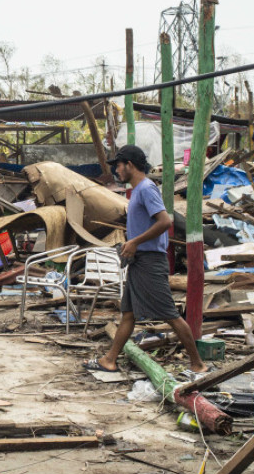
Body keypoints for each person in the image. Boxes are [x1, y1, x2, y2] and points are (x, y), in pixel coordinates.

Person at [87, 144, 209, 375]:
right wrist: (131, 243)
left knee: (169, 314)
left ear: (130, 165)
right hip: (139, 260)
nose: (117, 171)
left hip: (150, 261)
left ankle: (197, 364)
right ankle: (110, 360)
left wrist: (134, 242)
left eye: (119, 166)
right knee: (129, 314)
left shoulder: (146, 189)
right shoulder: (138, 191)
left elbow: (164, 222)